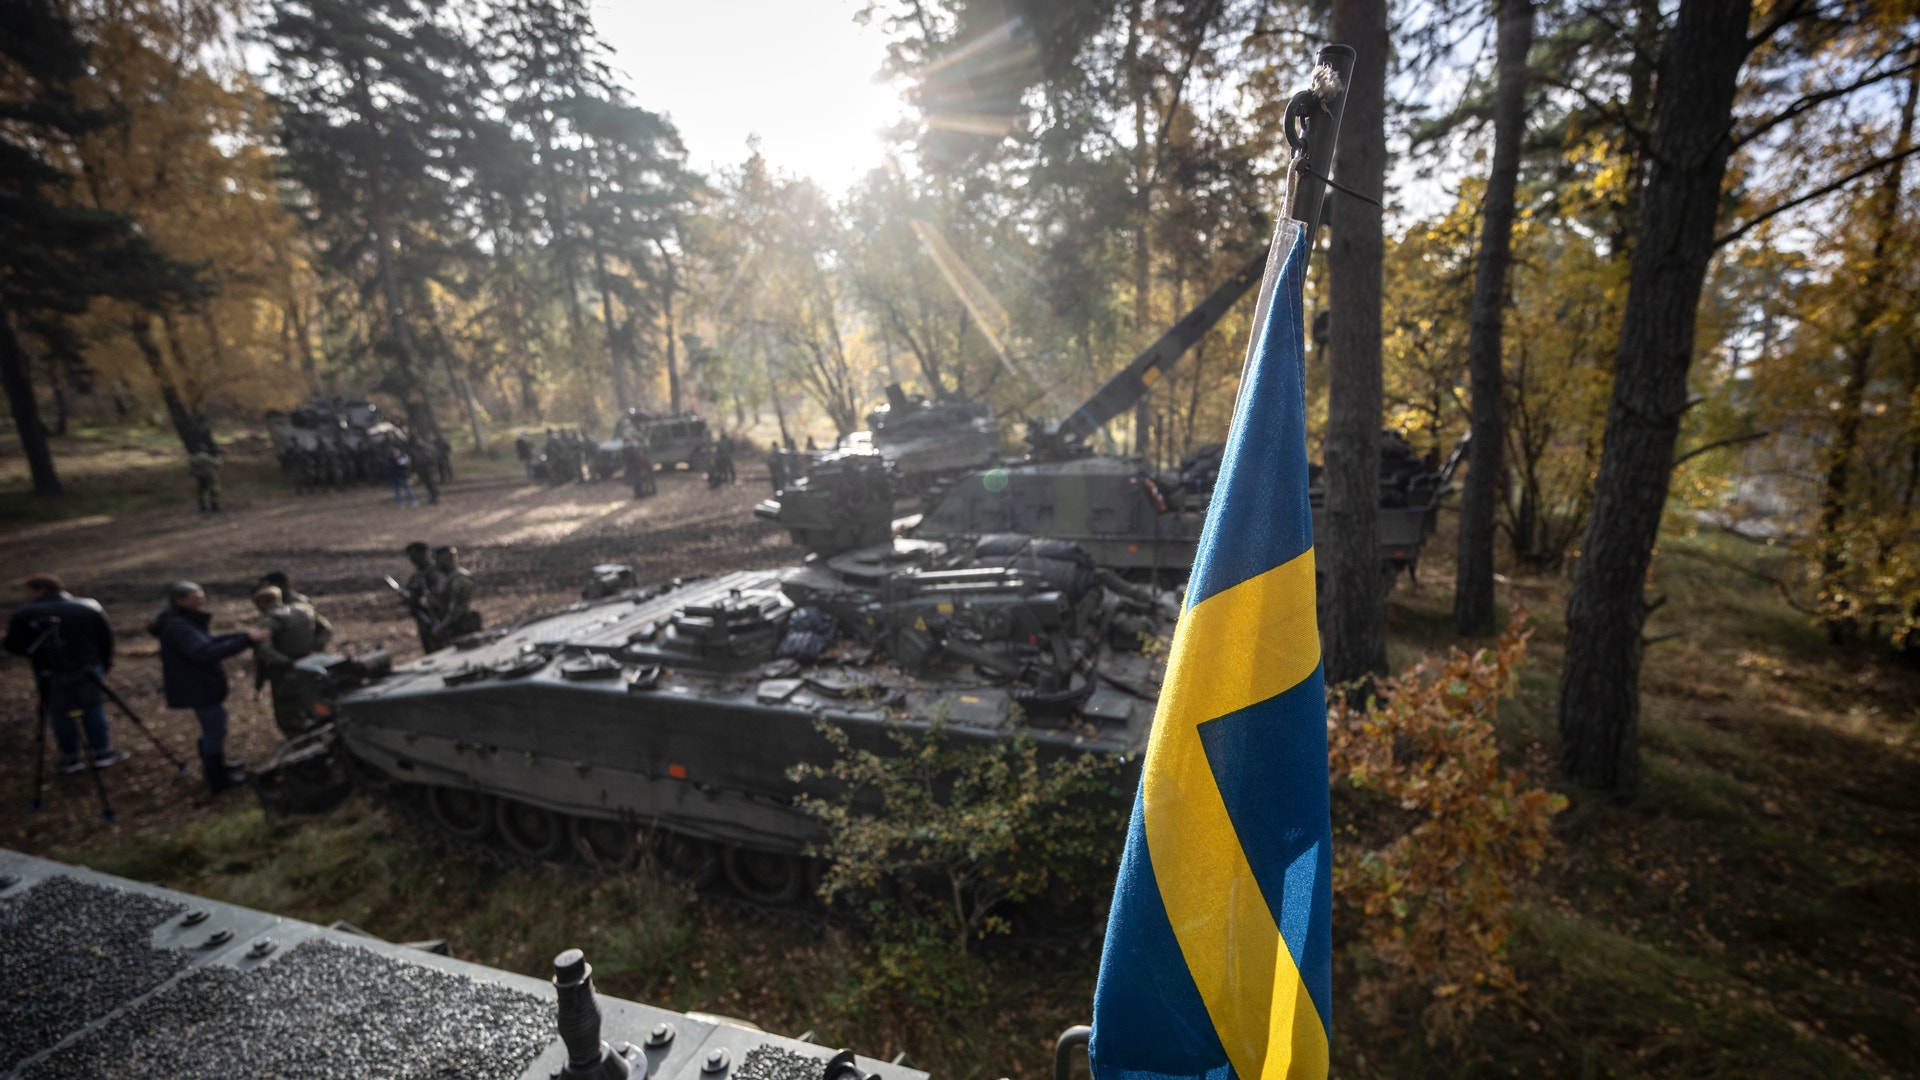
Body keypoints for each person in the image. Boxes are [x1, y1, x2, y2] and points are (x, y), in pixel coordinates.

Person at [150, 581, 270, 792]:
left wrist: (243, 636)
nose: (202, 600)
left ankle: (217, 767)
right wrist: (244, 641)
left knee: (213, 727)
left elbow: (207, 640)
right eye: (196, 597)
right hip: (198, 687)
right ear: (181, 600)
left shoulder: (182, 621)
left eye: (202, 595)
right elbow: (205, 652)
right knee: (214, 729)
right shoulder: (178, 627)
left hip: (198, 685)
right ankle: (218, 780)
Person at [4, 573, 126, 773]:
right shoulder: (88, 606)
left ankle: (70, 757)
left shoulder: (25, 613)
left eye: (27, 590)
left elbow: (14, 645)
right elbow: (106, 638)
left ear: (40, 589)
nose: (25, 595)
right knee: (92, 707)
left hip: (48, 671)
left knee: (59, 711)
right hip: (88, 667)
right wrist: (105, 663)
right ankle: (102, 751)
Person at [250, 585, 332, 737]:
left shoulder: (268, 620)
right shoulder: (305, 610)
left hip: (284, 672)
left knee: (287, 710)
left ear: (261, 602)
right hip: (311, 665)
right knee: (313, 699)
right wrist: (315, 649)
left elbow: (264, 650)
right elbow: (326, 630)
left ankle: (299, 738)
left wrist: (288, 661)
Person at [430, 545, 481, 646]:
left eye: (438, 560)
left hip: (461, 627)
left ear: (448, 559)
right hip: (449, 627)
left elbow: (457, 608)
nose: (436, 564)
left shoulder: (460, 579)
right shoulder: (443, 578)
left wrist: (443, 627)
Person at [402, 541, 442, 652]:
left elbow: (440, 594)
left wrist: (422, 601)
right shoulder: (417, 574)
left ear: (424, 553)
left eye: (414, 554)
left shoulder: (435, 570)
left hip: (438, 617)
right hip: (424, 619)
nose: (412, 559)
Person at [188, 448, 222, 512]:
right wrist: (218, 456)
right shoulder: (204, 456)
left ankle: (202, 505)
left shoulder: (193, 457)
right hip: (208, 474)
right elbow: (217, 463)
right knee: (214, 488)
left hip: (199, 475)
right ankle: (214, 505)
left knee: (201, 489)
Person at [412, 440, 441, 505]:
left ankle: (435, 497)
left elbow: (433, 458)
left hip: (430, 470)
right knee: (427, 485)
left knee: (432, 484)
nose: (418, 443)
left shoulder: (428, 449)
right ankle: (431, 496)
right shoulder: (416, 450)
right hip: (422, 471)